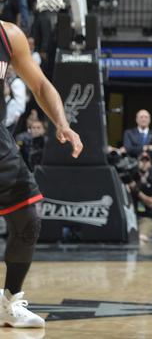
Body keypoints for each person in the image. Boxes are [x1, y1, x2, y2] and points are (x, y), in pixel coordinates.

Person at [0, 22, 82, 327]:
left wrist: (62, 124)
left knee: (29, 216)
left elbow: (41, 85)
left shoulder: (9, 35)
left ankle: (10, 301)